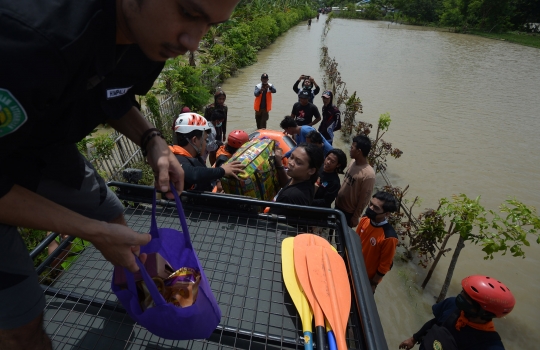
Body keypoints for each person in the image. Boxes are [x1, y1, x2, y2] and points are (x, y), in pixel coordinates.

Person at [0, 1, 240, 347]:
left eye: (210, 25)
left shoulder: (151, 37)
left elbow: (113, 96)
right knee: (22, 330)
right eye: (188, 12)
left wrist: (152, 141)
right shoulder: (29, 41)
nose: (193, 42)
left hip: (42, 144)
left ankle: (148, 298)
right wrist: (93, 232)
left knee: (113, 217)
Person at [399, 275, 515, 350]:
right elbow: (435, 322)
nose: (460, 297)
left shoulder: (489, 345)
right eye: (463, 292)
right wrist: (413, 339)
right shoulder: (453, 304)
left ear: (485, 313)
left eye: (467, 298)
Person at [169, 113, 244, 192]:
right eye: (205, 140)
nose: (206, 144)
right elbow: (193, 175)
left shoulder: (194, 157)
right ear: (194, 140)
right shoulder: (176, 160)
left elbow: (204, 174)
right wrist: (222, 170)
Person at [355, 191, 398, 293]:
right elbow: (355, 239)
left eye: (376, 208)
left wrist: (373, 283)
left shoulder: (389, 237)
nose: (371, 208)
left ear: (387, 213)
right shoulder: (365, 219)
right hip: (353, 265)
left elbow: (385, 265)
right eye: (371, 204)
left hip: (366, 278)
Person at [269, 143, 324, 216]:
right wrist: (279, 165)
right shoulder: (307, 182)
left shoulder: (289, 196)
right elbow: (287, 183)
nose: (291, 163)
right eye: (291, 157)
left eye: (298, 162)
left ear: (311, 170)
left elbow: (270, 222)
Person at [335, 135, 376, 228]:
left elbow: (364, 198)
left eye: (352, 147)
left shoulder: (368, 174)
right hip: (338, 205)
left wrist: (356, 216)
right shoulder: (353, 162)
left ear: (359, 151)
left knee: (341, 239)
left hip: (348, 213)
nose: (350, 149)